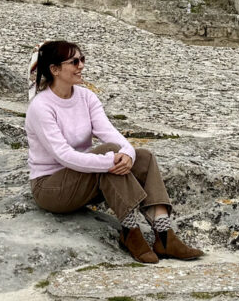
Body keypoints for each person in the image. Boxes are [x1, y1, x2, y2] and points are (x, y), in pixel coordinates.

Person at [25, 40, 203, 263]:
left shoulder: (86, 97)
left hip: (84, 179)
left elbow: (110, 133)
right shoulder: (41, 107)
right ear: (55, 69)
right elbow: (64, 156)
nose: (81, 66)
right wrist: (109, 161)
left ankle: (164, 234)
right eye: (74, 61)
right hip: (51, 187)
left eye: (82, 59)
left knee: (144, 157)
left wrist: (127, 153)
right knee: (110, 155)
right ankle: (130, 231)